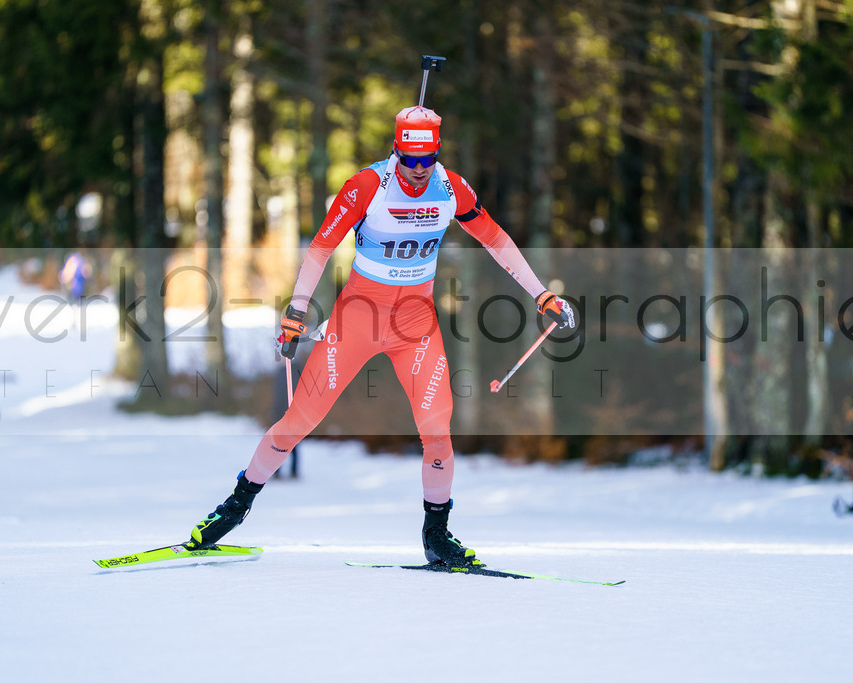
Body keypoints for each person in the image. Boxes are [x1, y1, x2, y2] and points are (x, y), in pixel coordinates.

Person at [189, 105, 575, 567]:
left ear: (436, 153)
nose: (418, 169)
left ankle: (437, 537)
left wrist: (541, 295)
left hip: (415, 325)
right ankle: (234, 507)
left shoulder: (451, 188)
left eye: (427, 159)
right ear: (396, 151)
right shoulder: (368, 185)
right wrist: (296, 311)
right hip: (357, 319)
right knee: (299, 420)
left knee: (437, 431)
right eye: (410, 160)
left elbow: (495, 239)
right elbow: (321, 248)